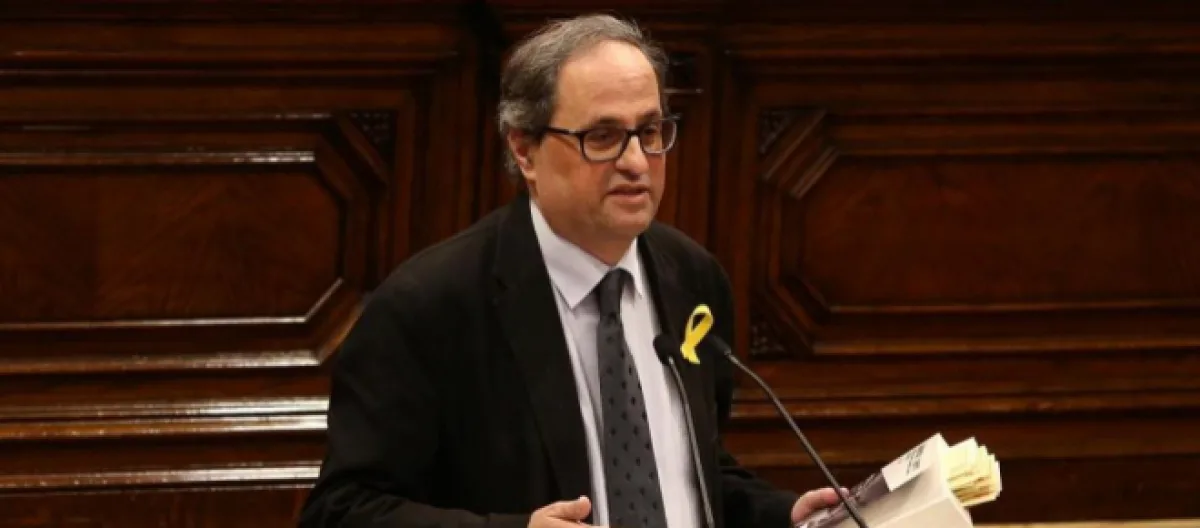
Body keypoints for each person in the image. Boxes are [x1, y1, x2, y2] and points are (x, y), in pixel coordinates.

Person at [299, 13, 843, 528]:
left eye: (650, 131)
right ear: (525, 150)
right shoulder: (428, 307)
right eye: (602, 137)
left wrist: (782, 515)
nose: (636, 162)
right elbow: (343, 511)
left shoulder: (694, 279)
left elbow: (684, 471)